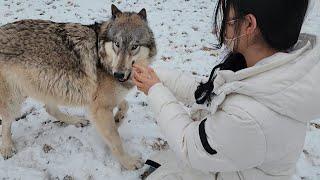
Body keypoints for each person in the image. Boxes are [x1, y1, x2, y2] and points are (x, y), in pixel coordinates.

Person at [133, 0, 319, 179]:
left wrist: (155, 90)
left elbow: (189, 145)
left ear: (249, 24)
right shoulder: (272, 69)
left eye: (227, 20)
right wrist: (157, 77)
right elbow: (206, 94)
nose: (217, 28)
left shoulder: (250, 115)